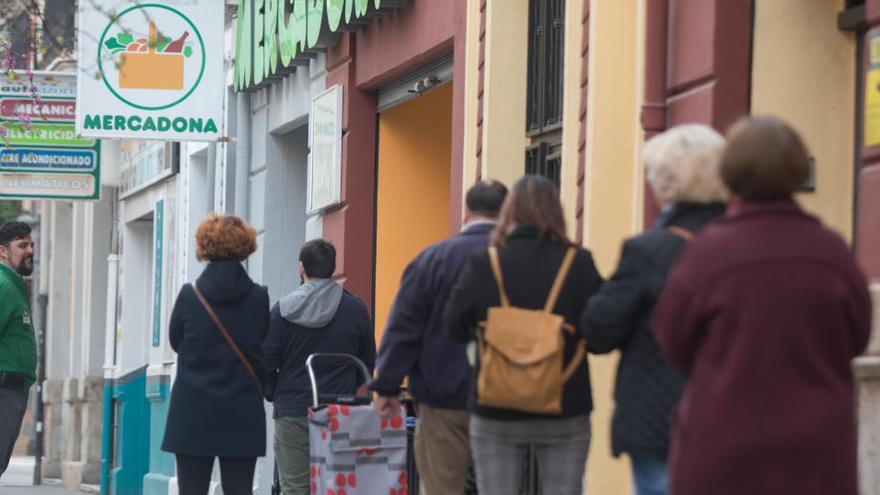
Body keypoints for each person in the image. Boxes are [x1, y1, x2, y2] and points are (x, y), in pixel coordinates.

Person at [653, 116, 872, 495]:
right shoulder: (831, 251)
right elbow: (858, 335)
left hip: (722, 451)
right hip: (816, 455)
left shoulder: (707, 253)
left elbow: (673, 341)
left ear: (730, 172)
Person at [581, 124, 727, 495]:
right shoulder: (749, 246)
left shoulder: (650, 251)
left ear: (663, 184)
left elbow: (598, 331)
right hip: (735, 414)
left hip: (659, 418)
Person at [443, 175, 603, 495]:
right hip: (564, 403)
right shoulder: (578, 263)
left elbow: (453, 326)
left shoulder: (486, 262)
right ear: (556, 211)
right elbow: (600, 335)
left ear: (508, 212)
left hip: (496, 406)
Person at [372, 180, 508, 495]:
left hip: (443, 396)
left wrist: (388, 385)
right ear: (508, 213)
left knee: (442, 486)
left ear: (466, 211)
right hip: (507, 397)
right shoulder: (516, 260)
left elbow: (404, 325)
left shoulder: (433, 259)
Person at [161, 214, 269, 495]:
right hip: (242, 410)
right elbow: (262, 347)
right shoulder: (259, 297)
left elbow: (176, 341)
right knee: (239, 490)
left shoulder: (190, 295)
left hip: (192, 410)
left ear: (205, 245)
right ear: (246, 246)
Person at [263, 239, 375, 495]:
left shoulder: (282, 310)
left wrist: (276, 393)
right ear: (333, 268)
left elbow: (266, 362)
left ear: (301, 267)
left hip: (293, 411)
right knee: (337, 486)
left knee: (295, 488)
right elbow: (368, 361)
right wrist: (344, 387)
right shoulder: (355, 309)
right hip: (340, 411)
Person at [0, 221, 35, 477]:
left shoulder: (13, 285)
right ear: (3, 251)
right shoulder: (3, 285)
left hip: (13, 391)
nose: (30, 250)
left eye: (32, 244)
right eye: (22, 245)